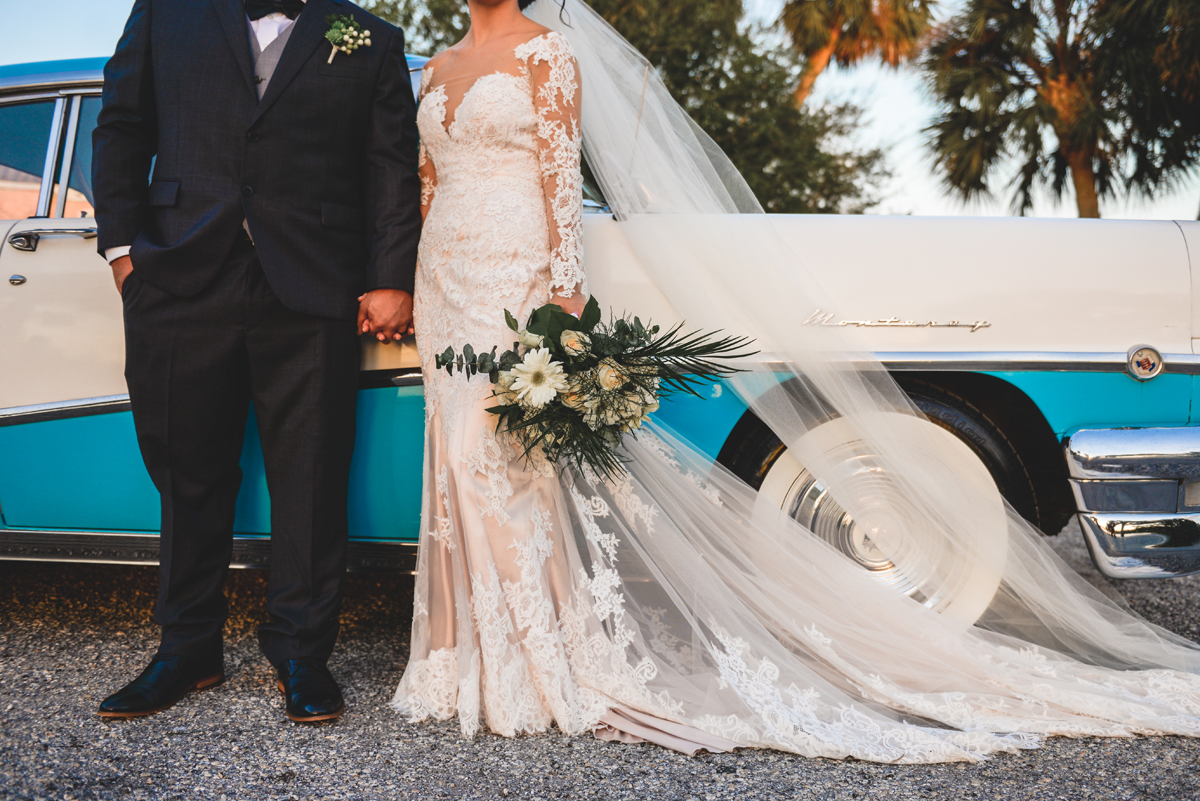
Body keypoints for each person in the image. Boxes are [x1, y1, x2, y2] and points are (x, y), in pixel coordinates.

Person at [391, 0, 1200, 762]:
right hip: (445, 281)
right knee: (456, 460)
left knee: (507, 462)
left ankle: (531, 657)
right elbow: (426, 184)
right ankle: (463, 650)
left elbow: (561, 183)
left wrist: (565, 295)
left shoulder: (548, 50)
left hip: (519, 274)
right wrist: (408, 280)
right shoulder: (438, 67)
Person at [91, 0, 422, 723]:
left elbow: (390, 162)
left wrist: (391, 273)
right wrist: (122, 256)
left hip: (313, 281)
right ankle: (187, 649)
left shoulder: (371, 36)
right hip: (178, 278)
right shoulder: (164, 14)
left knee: (311, 470)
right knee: (187, 468)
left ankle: (303, 653)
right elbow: (120, 128)